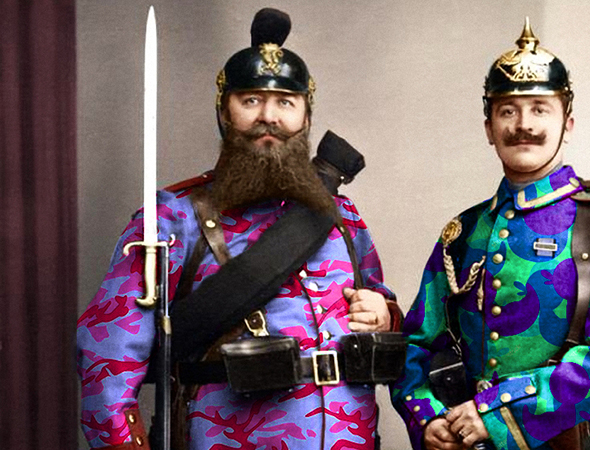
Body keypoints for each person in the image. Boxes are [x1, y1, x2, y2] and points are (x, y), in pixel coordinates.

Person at [77, 8, 402, 450]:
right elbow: (106, 362)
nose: (269, 116)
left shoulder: (341, 216)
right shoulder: (173, 219)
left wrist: (383, 314)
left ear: (306, 118)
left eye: (285, 102)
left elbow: (386, 312)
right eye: (250, 101)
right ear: (224, 113)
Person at [391, 18, 590, 450]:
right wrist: (427, 418)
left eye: (539, 109)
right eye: (508, 111)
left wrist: (499, 412)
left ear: (567, 124)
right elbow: (417, 345)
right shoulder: (463, 233)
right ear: (489, 128)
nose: (523, 124)